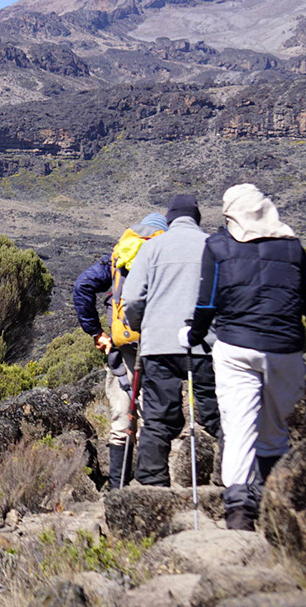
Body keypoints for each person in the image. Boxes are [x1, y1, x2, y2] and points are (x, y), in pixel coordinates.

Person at [186, 184, 306, 530]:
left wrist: (193, 335)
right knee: (275, 431)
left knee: (238, 428)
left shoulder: (217, 246)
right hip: (285, 350)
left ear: (231, 213)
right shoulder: (293, 248)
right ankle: (273, 508)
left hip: (236, 348)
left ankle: (239, 514)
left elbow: (206, 304)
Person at [121, 195, 222, 487]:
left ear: (169, 219)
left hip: (158, 346)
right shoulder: (213, 246)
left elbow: (132, 298)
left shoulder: (152, 247)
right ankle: (231, 482)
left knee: (157, 418)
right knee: (217, 414)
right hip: (206, 345)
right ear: (197, 218)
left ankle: (152, 484)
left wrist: (144, 328)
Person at [73, 212, 168, 488]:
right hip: (160, 346)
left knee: (122, 416)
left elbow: (82, 286)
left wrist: (97, 333)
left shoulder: (119, 254)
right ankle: (153, 484)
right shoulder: (166, 252)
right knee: (153, 414)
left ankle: (117, 489)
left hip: (123, 345)